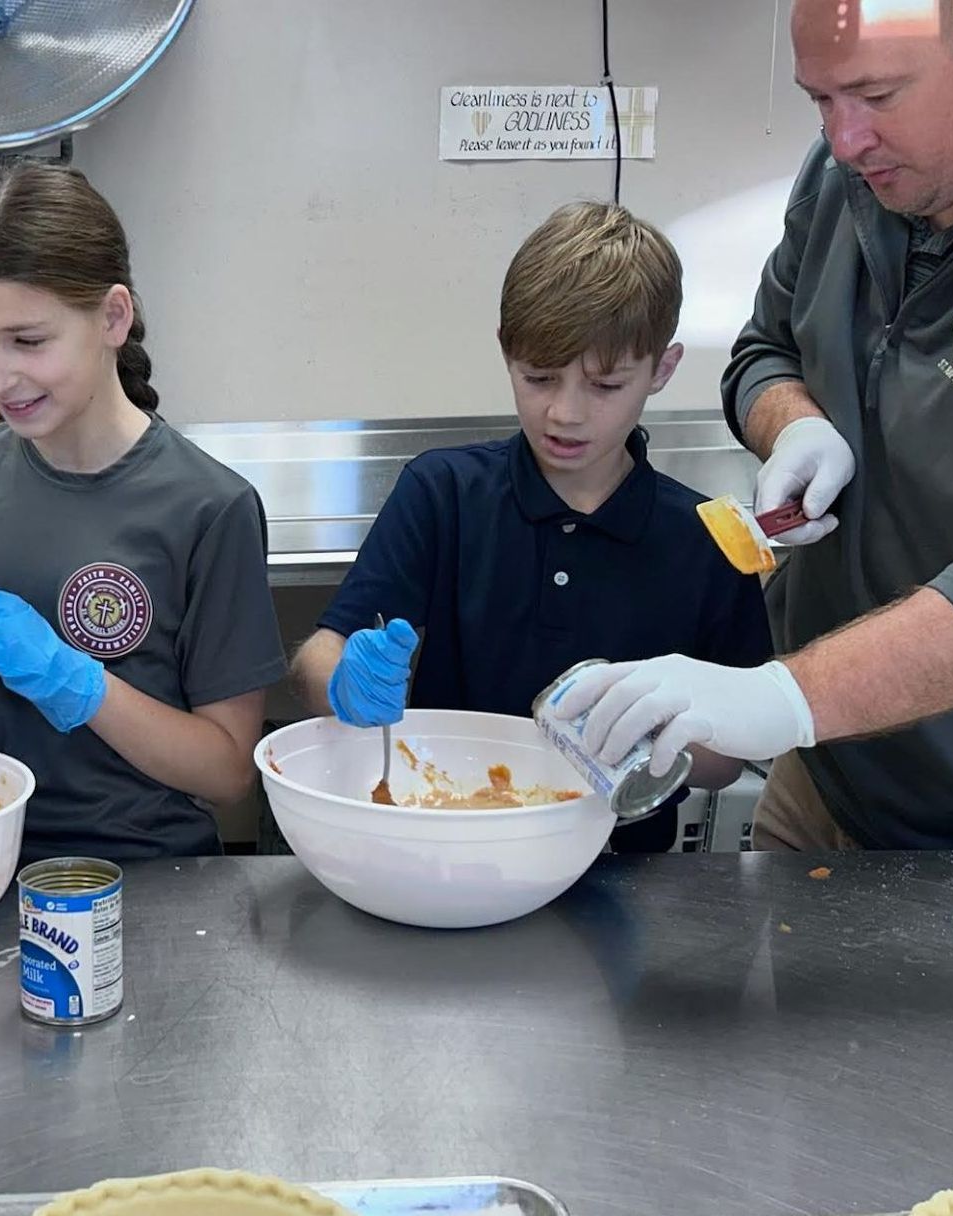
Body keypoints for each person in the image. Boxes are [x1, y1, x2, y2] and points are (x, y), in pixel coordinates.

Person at [552, 0, 953, 852]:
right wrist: (796, 426)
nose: (843, 140)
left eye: (875, 95)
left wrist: (778, 698)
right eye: (819, 101)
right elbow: (763, 351)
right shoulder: (847, 180)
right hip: (827, 774)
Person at [0, 165, 287, 860]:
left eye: (28, 341)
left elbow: (224, 773)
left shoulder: (208, 506)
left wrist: (75, 681)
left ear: (112, 318)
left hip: (148, 868)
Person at [288, 202, 773, 854]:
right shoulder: (444, 494)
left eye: (604, 385)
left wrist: (663, 726)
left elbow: (724, 764)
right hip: (445, 844)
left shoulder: (705, 540)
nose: (564, 413)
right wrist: (343, 683)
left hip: (623, 873)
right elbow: (321, 655)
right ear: (504, 350)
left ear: (661, 369)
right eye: (538, 378)